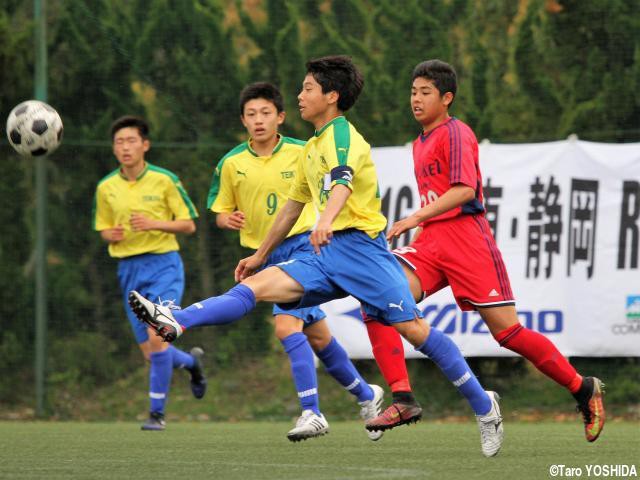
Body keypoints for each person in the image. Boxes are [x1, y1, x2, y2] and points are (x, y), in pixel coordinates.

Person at [128, 56, 504, 456]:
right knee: (256, 286)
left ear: (331, 96)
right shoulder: (310, 148)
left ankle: (485, 407)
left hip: (363, 252)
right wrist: (260, 254)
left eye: (307, 88)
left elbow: (341, 182)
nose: (300, 95)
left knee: (414, 331)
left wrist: (326, 220)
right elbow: (292, 207)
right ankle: (177, 320)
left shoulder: (343, 136)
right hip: (322, 252)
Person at [382, 59, 605, 443]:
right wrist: (421, 223)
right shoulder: (419, 142)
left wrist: (413, 216)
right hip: (432, 243)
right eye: (413, 92)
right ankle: (402, 396)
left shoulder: (456, 132)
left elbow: (465, 190)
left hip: (467, 241)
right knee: (384, 298)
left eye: (425, 93)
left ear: (446, 98)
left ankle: (582, 388)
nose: (416, 100)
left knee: (508, 334)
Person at [206, 81, 389, 441]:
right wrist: (226, 219)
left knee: (286, 328)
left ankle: (312, 411)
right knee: (319, 338)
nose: (259, 120)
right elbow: (220, 210)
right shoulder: (230, 163)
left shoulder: (303, 150)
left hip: (306, 248)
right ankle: (368, 395)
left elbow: (329, 186)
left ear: (281, 117)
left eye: (266, 113)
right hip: (267, 254)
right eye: (251, 114)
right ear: (243, 120)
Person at [93, 115, 207, 431]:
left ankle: (156, 414)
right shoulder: (106, 187)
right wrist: (110, 234)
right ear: (114, 149)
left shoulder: (165, 179)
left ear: (145, 145)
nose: (125, 147)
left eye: (131, 141)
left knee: (159, 337)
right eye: (119, 142)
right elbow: (102, 227)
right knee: (151, 352)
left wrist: (154, 223)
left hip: (163, 266)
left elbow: (188, 224)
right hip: (128, 270)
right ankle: (192, 364)